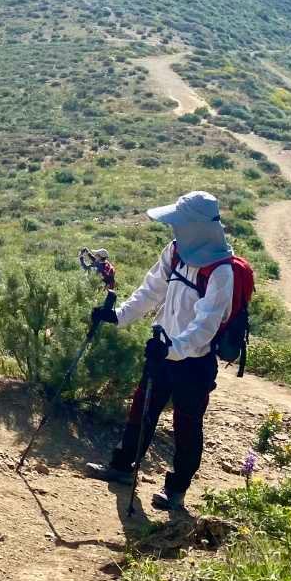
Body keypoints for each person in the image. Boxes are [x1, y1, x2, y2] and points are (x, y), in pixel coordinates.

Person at [85, 191, 235, 512]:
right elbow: (151, 291)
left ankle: (176, 491)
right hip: (162, 351)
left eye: (180, 223)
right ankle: (123, 467)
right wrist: (119, 316)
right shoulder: (176, 251)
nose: (174, 229)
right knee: (142, 408)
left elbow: (205, 327)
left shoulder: (221, 272)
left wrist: (171, 349)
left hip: (194, 363)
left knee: (187, 425)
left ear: (196, 226)